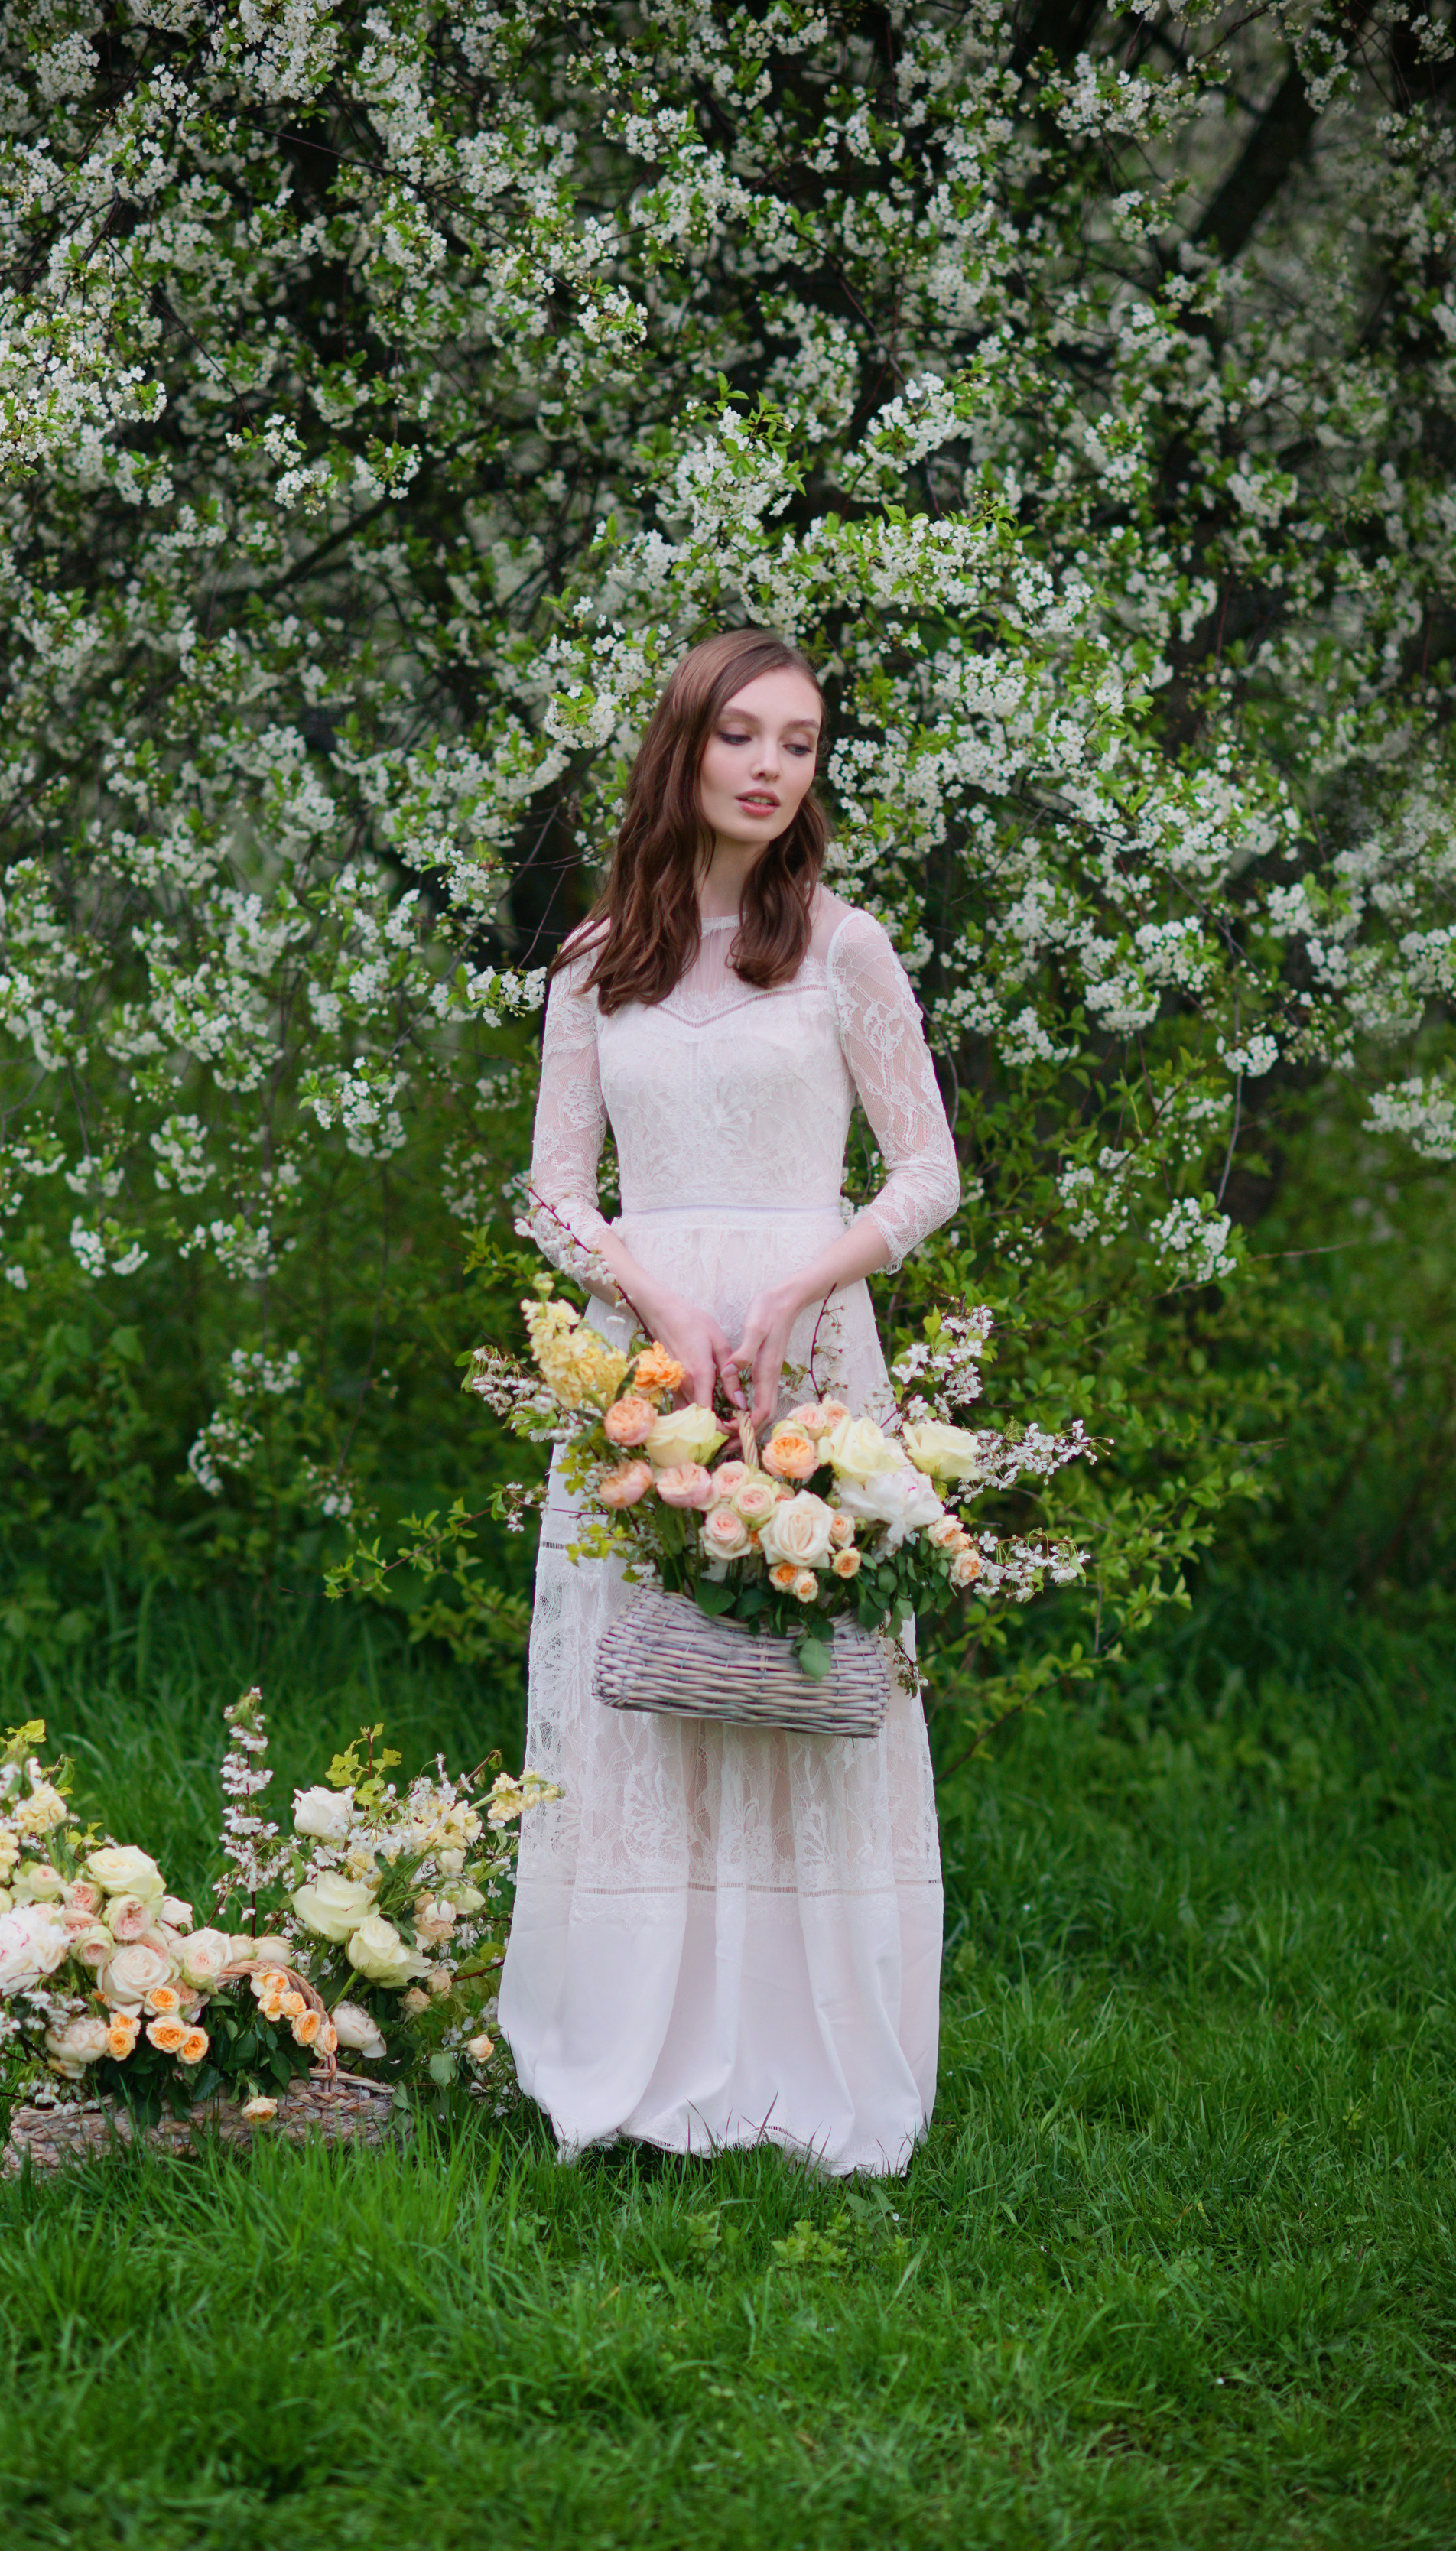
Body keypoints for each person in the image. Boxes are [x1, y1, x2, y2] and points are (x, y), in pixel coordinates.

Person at [498, 626, 964, 2175]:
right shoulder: (590, 964)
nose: (772, 769)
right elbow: (555, 1192)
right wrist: (648, 1296)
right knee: (647, 1680)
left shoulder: (843, 947)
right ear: (683, 748)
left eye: (803, 744)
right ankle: (630, 2052)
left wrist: (788, 1292)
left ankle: (807, 2059)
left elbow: (925, 1172)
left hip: (804, 1350)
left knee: (799, 1671)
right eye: (743, 737)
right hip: (643, 1358)